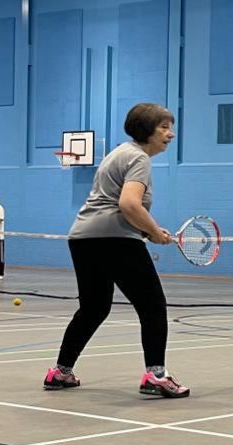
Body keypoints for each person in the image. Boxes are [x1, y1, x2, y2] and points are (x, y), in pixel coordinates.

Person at [44, 103, 189, 398]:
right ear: (146, 129)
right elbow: (128, 204)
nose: (170, 134)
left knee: (94, 308)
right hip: (114, 239)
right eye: (164, 127)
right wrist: (152, 230)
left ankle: (60, 371)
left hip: (84, 237)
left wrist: (146, 230)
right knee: (152, 305)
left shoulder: (119, 153)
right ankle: (156, 375)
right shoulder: (139, 158)